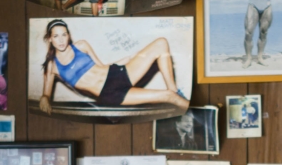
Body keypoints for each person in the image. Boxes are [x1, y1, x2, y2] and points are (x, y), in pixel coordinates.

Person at [38, 20, 188, 114]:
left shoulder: (81, 46)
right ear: (50, 39)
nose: (61, 40)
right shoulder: (52, 66)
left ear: (68, 35)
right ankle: (174, 94)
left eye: (64, 35)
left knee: (161, 43)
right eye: (56, 36)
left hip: (118, 74)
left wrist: (125, 60)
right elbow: (46, 93)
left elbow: (102, 67)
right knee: (169, 98)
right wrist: (44, 98)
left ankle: (174, 89)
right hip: (109, 94)